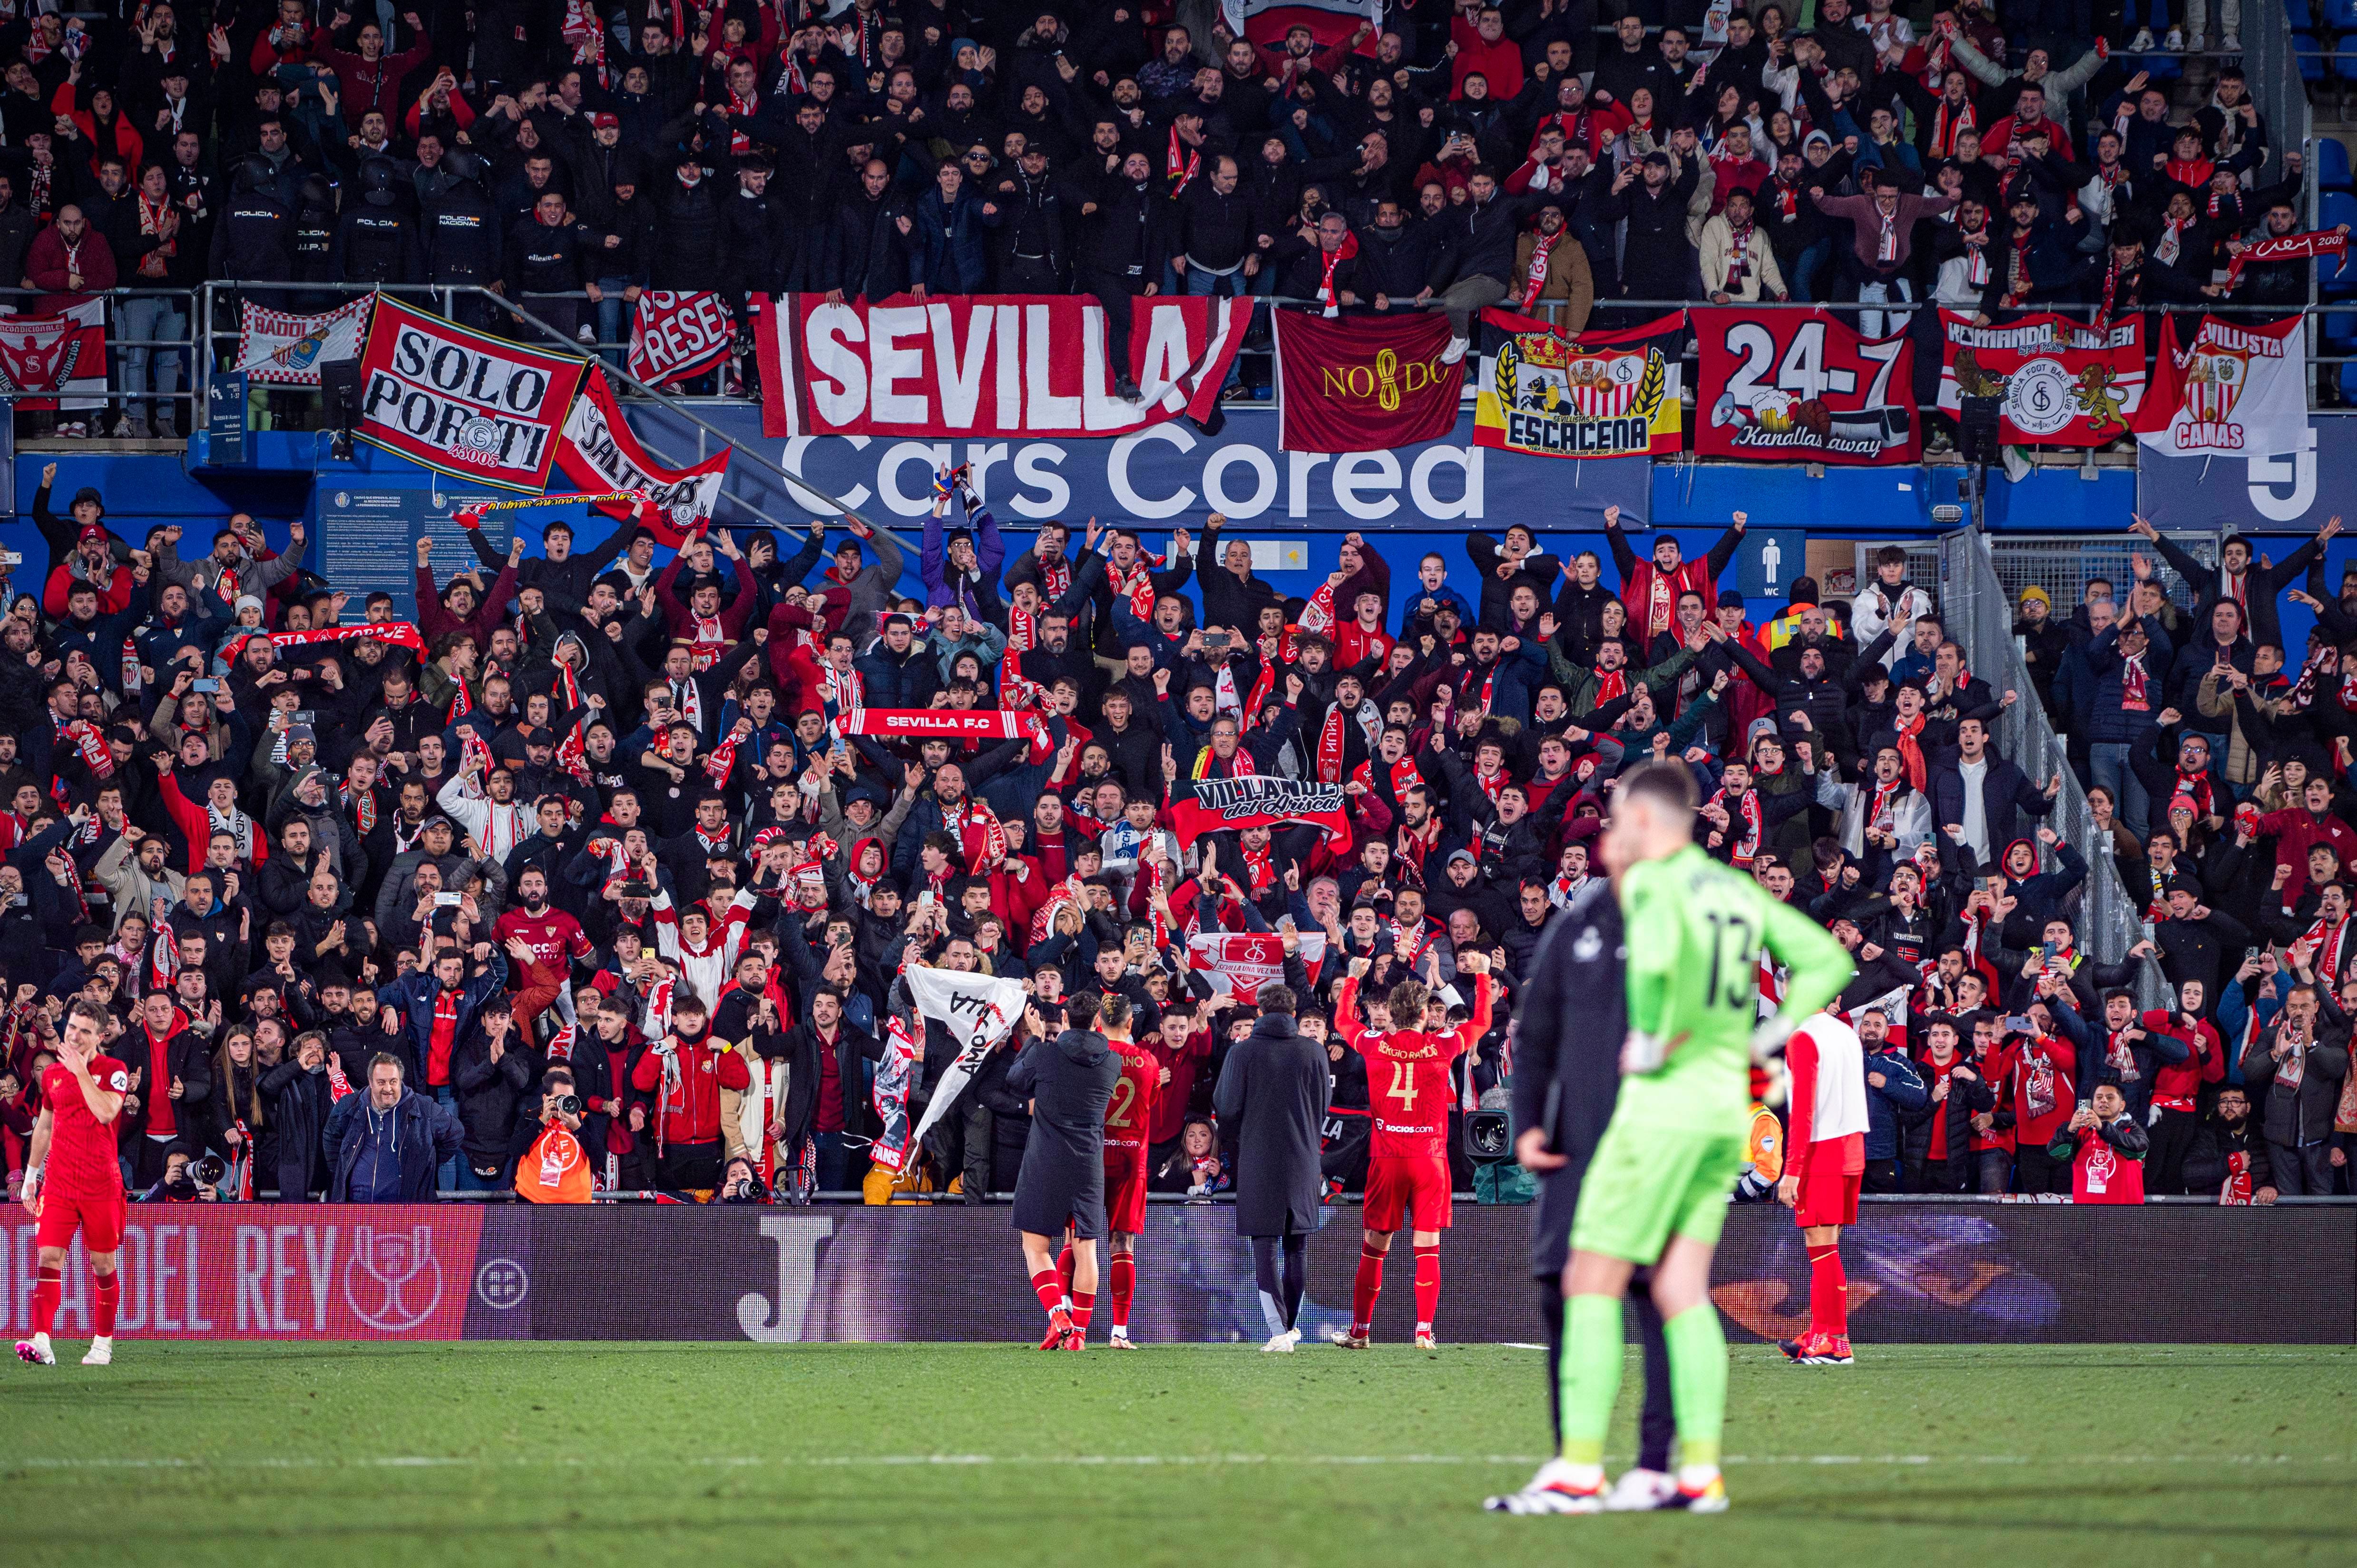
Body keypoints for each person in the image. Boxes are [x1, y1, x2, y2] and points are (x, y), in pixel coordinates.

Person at [1537, 761, 1851, 1513]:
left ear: (1648, 821)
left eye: (1618, 819)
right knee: (1679, 1287)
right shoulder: (1737, 892)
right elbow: (1828, 961)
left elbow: (1641, 973)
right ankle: (1699, 1474)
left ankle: (1578, 1472)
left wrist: (1648, 1037)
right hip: (1722, 1114)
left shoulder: (1648, 887)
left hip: (1663, 1107)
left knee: (1586, 1278)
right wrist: (1767, 1034)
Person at [1486, 872, 1681, 1514]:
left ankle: (1657, 1466)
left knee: (1657, 1297)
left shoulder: (1692, 920)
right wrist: (1531, 1121)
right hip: (1576, 1144)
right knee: (1559, 1289)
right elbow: (1532, 1031)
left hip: (1655, 1144)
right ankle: (1575, 1465)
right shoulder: (1578, 923)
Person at [1330, 951, 1493, 1349]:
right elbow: (1483, 1022)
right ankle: (1423, 1329)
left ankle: (1360, 1331)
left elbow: (1341, 1022)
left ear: (1391, 1012)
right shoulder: (1443, 1043)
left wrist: (1353, 980)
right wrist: (1485, 977)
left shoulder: (1373, 1043)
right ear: (1423, 1015)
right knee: (1427, 1247)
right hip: (1430, 1160)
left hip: (1387, 1160)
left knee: (1374, 1247)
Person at [1213, 981, 1330, 1352]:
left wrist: (1241, 1137)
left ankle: (1279, 1330)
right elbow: (1323, 1105)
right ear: (1293, 1014)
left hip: (1259, 1157)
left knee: (1264, 1243)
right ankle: (1290, 1327)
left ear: (1260, 1013)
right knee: (1297, 1245)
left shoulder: (1243, 1052)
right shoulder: (1314, 1051)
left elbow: (1226, 1108)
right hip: (1304, 1158)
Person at [15, 1000, 128, 1367]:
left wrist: (81, 1072)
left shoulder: (115, 1070)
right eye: (72, 1028)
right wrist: (31, 1177)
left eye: (83, 1030)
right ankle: (42, 1341)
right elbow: (44, 1126)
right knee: (48, 1257)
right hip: (60, 1182)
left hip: (101, 1183)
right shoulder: (52, 1074)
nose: (74, 1035)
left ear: (100, 1035)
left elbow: (106, 1111)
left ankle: (102, 1344)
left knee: (102, 1263)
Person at [1010, 989, 1121, 1351]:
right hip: (1088, 1163)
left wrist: (1036, 1039)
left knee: (1035, 1245)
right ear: (1097, 1022)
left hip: (1046, 1158)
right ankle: (1080, 1334)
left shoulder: (1045, 1053)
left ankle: (1058, 1314)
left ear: (1066, 1019)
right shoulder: (1112, 1062)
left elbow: (1014, 1080)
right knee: (1086, 1249)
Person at [1776, 1011, 1868, 1365]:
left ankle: (1835, 1341)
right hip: (1851, 1146)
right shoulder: (1845, 1032)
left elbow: (1803, 1109)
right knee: (1827, 1245)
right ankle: (1821, 1332)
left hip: (1821, 1150)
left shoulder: (1803, 1037)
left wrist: (1793, 1169)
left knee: (1822, 1247)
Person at [1095, 995, 1162, 1350]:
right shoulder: (1148, 1061)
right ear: (1130, 1023)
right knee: (1122, 1244)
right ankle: (1119, 1331)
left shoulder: (1090, 1055)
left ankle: (1071, 1326)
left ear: (1097, 1022)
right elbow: (1149, 1102)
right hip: (1131, 1160)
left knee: (1079, 1241)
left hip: (1091, 1158)